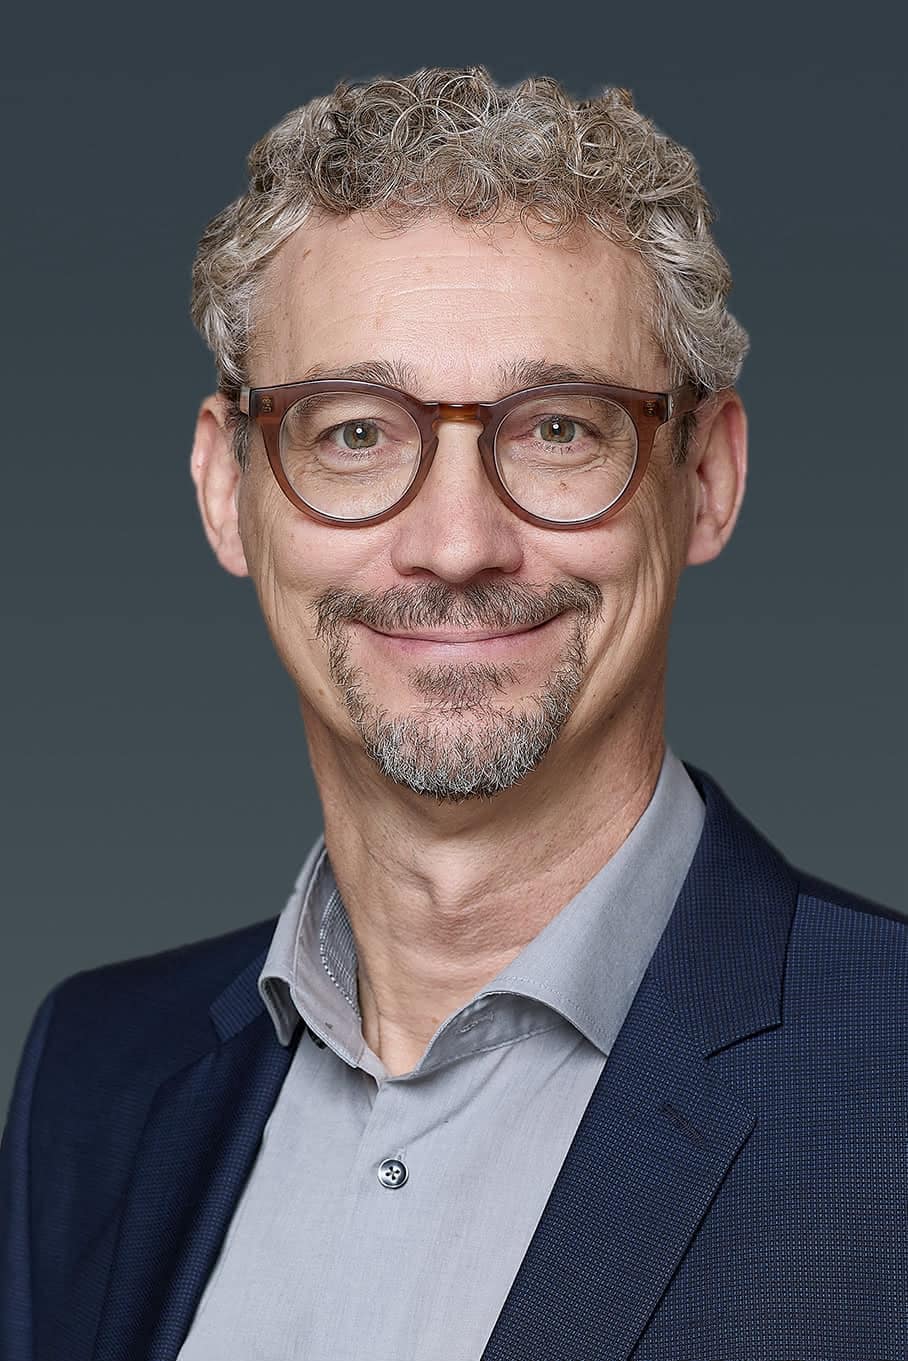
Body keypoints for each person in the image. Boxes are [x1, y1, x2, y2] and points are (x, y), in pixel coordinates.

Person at [1, 65, 904, 1361]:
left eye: (559, 429)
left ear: (707, 479)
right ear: (223, 488)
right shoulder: (94, 1077)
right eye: (355, 432)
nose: (458, 541)